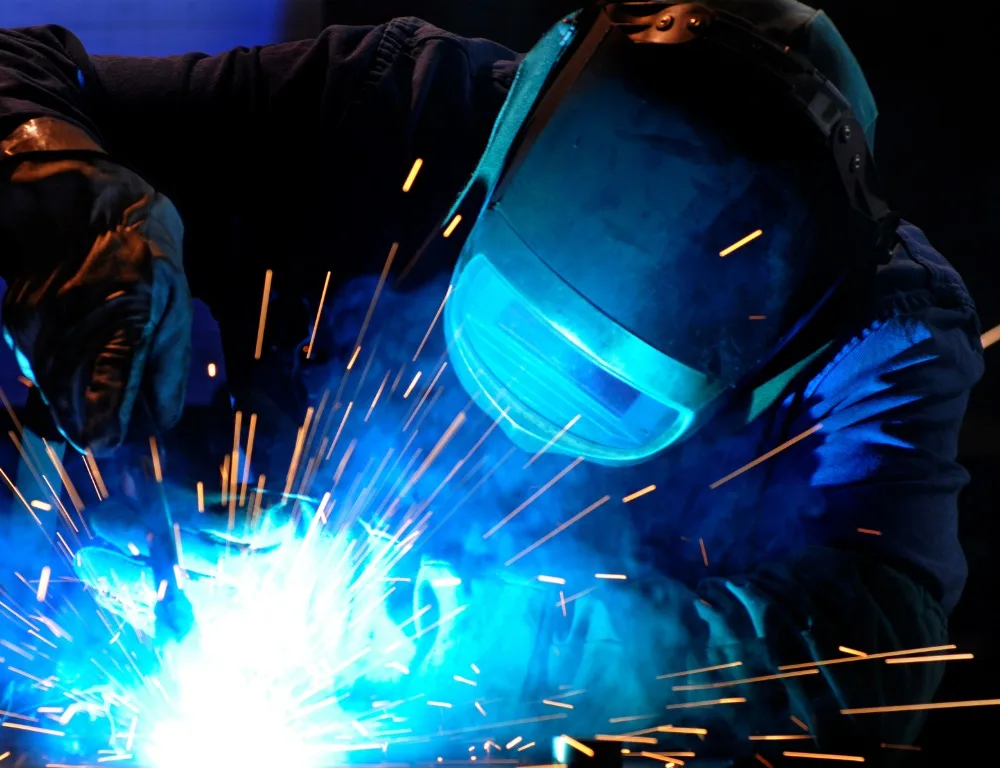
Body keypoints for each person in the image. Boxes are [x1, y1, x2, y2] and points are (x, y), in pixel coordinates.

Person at [0, 0, 984, 764]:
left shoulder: (878, 333)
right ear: (503, 160)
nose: (527, 408)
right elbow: (26, 72)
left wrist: (463, 629)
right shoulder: (410, 102)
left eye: (607, 386)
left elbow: (863, 660)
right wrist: (69, 200)